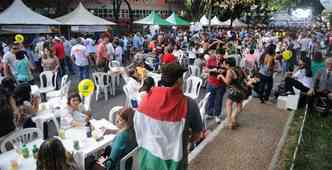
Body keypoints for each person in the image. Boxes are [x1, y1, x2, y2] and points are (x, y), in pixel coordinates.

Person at [134, 63, 203, 170]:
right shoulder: (189, 104)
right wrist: (186, 141)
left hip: (148, 159)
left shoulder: (145, 99)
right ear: (179, 81)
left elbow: (138, 128)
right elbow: (197, 134)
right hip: (174, 163)